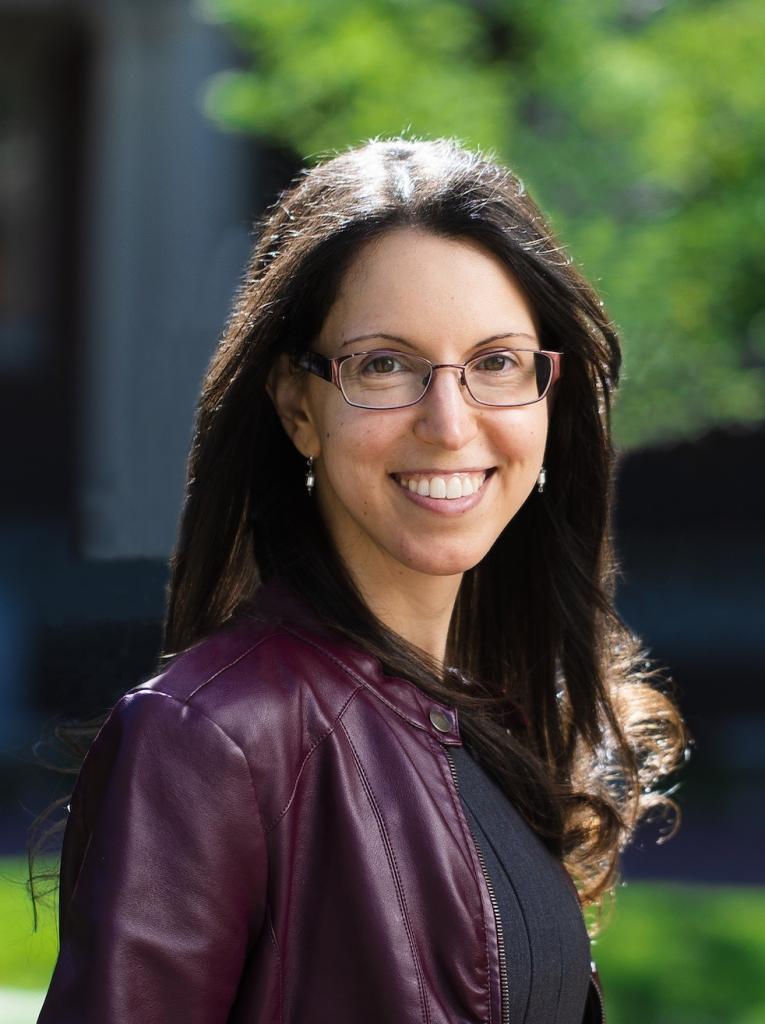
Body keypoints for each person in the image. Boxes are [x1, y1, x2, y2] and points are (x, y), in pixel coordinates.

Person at [34, 136, 688, 1023]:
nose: (450, 423)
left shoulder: (489, 715)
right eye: (385, 364)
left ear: (549, 395)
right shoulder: (209, 738)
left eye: (495, 362)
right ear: (298, 407)